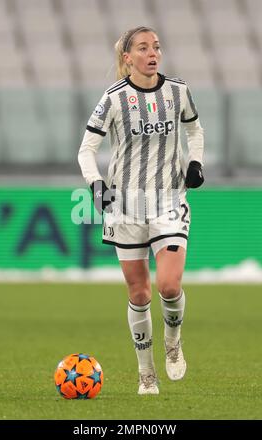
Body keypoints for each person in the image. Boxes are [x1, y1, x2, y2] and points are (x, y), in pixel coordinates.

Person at [78, 26, 204, 395]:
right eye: (144, 48)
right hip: (126, 205)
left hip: (168, 201)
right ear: (127, 57)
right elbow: (86, 149)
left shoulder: (178, 91)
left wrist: (195, 162)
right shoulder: (114, 98)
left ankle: (173, 342)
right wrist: (96, 185)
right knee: (139, 294)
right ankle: (146, 374)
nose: (153, 54)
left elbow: (195, 131)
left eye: (157, 47)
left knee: (168, 284)